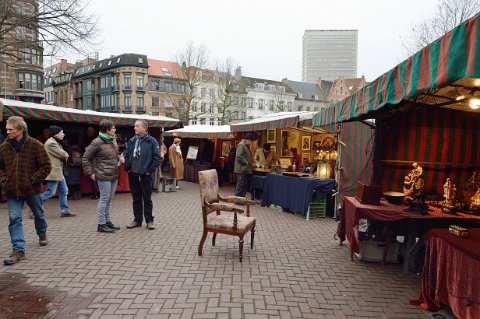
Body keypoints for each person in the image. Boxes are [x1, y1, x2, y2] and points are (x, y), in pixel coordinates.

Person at [0, 116, 52, 265]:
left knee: (39, 214)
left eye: (11, 129)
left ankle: (42, 233)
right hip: (12, 190)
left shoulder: (35, 145)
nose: (7, 131)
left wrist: (33, 180)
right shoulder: (4, 147)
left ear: (21, 129)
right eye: (7, 128)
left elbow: (46, 166)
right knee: (14, 218)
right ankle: (18, 250)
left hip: (32, 189)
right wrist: (3, 181)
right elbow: (1, 168)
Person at [82, 120, 124, 233]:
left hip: (114, 173)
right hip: (103, 174)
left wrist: (119, 158)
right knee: (104, 199)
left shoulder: (113, 140)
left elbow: (115, 154)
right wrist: (90, 173)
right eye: (113, 128)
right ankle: (101, 224)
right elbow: (85, 158)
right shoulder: (97, 142)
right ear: (107, 130)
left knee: (109, 199)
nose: (115, 130)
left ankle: (107, 221)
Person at [123, 120, 161, 230]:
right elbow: (127, 154)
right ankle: (137, 220)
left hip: (145, 175)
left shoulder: (152, 141)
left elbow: (157, 157)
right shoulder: (131, 141)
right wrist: (127, 166)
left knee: (147, 199)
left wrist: (150, 170)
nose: (134, 128)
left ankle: (149, 220)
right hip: (133, 174)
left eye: (137, 126)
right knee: (136, 199)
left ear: (144, 128)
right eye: (134, 126)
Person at [39, 125, 76, 217]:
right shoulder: (51, 143)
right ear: (56, 134)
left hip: (58, 172)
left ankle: (65, 211)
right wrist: (66, 154)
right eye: (61, 132)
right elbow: (63, 154)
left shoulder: (56, 142)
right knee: (50, 192)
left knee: (64, 191)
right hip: (53, 171)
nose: (63, 134)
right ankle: (33, 206)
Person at [234, 133, 256, 197]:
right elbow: (239, 156)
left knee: (244, 185)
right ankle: (238, 199)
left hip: (245, 169)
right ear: (248, 140)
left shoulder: (246, 145)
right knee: (240, 185)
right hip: (241, 169)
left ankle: (242, 198)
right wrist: (246, 162)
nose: (251, 142)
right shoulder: (241, 145)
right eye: (251, 141)